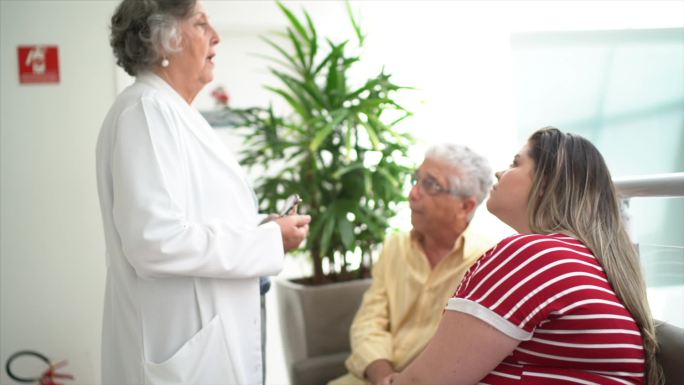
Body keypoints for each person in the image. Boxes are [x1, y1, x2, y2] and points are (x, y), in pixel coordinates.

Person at [96, 1, 311, 384]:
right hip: (180, 348)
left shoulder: (172, 112)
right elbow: (154, 242)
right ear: (162, 40)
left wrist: (262, 227)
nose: (217, 36)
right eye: (200, 23)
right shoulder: (146, 112)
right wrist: (267, 240)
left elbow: (195, 219)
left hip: (200, 341)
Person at [388, 127, 663, 385]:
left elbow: (423, 381)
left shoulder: (535, 258)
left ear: (545, 183)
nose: (498, 173)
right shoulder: (584, 263)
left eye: (515, 163)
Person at [330, 144, 501, 385]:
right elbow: (369, 321)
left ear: (466, 207)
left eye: (430, 185)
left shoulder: (487, 262)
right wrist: (383, 376)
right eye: (416, 179)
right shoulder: (395, 247)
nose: (413, 193)